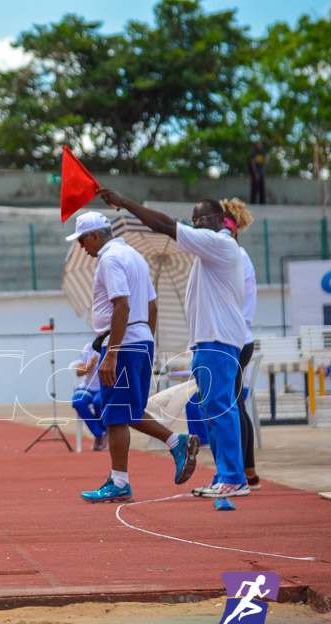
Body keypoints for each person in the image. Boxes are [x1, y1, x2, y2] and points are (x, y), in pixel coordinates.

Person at [99, 190, 249, 498]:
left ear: (218, 220)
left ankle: (234, 477)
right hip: (210, 341)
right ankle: (226, 475)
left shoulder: (220, 244)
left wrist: (125, 203)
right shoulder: (212, 252)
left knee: (220, 408)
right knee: (212, 408)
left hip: (217, 340)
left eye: (199, 219)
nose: (194, 225)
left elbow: (166, 226)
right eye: (192, 220)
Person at [67, 212, 198, 503]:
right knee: (129, 409)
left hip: (123, 345)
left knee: (114, 416)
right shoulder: (135, 257)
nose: (81, 247)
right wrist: (146, 345)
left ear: (94, 236)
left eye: (81, 240)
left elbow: (122, 306)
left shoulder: (109, 259)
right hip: (139, 343)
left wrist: (112, 354)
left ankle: (119, 482)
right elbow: (152, 307)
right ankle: (176, 442)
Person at [220, 198, 260, 490]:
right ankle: (249, 471)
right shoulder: (237, 254)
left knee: (232, 406)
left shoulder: (235, 255)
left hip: (235, 338)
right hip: (239, 337)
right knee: (236, 404)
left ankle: (244, 474)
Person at [70, 342, 106, 451]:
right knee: (78, 402)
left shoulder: (112, 347)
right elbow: (78, 372)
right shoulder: (89, 347)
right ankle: (100, 434)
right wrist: (90, 365)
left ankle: (103, 435)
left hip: (104, 386)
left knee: (98, 402)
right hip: (87, 387)